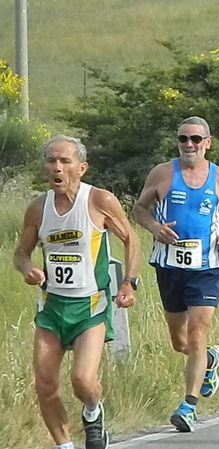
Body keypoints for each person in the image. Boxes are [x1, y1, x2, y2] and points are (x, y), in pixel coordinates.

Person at [13, 135, 141, 449]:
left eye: (64, 161)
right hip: (52, 308)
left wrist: (129, 282)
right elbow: (20, 253)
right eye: (51, 161)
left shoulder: (99, 201)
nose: (56, 167)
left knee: (82, 381)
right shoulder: (38, 208)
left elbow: (131, 239)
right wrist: (27, 268)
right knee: (45, 385)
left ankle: (93, 411)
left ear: (81, 168)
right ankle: (65, 445)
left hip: (90, 308)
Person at [133, 116, 219, 433]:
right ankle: (209, 360)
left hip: (207, 267)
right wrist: (154, 227)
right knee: (179, 341)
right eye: (184, 139)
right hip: (169, 266)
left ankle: (188, 407)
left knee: (197, 332)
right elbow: (140, 208)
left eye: (196, 139)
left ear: (208, 142)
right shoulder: (163, 173)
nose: (189, 145)